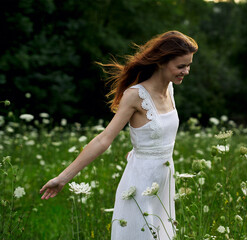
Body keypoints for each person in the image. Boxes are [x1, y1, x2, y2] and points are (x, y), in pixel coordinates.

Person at [39, 30, 198, 239]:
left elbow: (155, 136)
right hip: (140, 185)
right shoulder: (135, 95)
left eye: (188, 66)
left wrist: (138, 150)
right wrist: (63, 177)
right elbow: (104, 139)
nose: (186, 71)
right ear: (160, 62)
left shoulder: (170, 89)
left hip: (164, 182)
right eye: (180, 66)